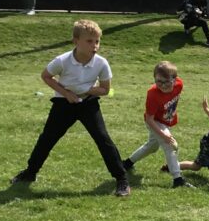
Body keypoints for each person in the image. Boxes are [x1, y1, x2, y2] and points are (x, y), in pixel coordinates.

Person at [10, 19, 129, 197]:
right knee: (47, 138)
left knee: (103, 139)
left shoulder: (101, 63)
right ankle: (30, 173)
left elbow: (105, 90)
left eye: (97, 41)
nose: (95, 45)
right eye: (89, 41)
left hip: (88, 104)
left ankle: (122, 180)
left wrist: (86, 90)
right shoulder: (62, 60)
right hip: (63, 105)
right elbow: (46, 76)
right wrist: (66, 93)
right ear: (76, 41)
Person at [122, 61, 185, 187]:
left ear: (174, 79)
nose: (163, 85)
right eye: (159, 81)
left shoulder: (179, 84)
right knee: (169, 145)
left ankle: (127, 163)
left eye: (166, 82)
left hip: (164, 120)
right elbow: (149, 119)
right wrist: (164, 135)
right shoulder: (153, 94)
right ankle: (178, 179)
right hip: (154, 121)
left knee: (152, 146)